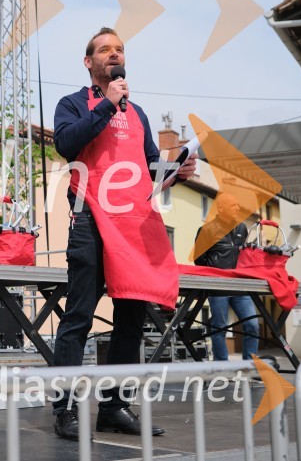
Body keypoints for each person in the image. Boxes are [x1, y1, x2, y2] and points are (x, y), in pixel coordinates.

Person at [51, 27, 197, 441]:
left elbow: (150, 167)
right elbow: (66, 143)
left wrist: (177, 170)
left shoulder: (138, 114)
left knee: (131, 319)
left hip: (133, 224)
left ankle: (114, 407)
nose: (114, 54)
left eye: (119, 49)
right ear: (89, 62)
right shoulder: (72, 104)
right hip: (90, 219)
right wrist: (107, 104)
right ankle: (64, 409)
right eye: (105, 50)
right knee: (79, 315)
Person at [194, 193, 259, 360]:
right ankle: (222, 365)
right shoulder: (207, 230)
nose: (237, 208)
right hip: (218, 287)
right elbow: (199, 260)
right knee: (220, 327)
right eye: (233, 205)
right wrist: (214, 275)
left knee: (252, 325)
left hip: (240, 286)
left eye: (238, 205)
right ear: (221, 208)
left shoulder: (242, 228)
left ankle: (249, 366)